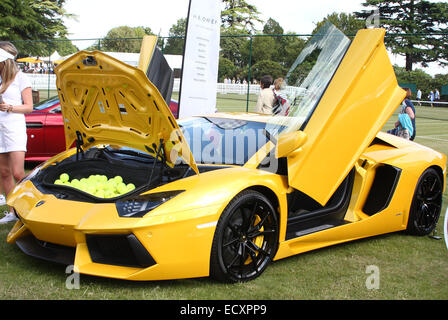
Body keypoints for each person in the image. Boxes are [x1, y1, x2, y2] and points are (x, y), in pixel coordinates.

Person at [0, 41, 33, 223]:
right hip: (0, 129)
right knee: (4, 172)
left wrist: (10, 107)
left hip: (14, 128)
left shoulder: (21, 78)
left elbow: (29, 107)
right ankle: (12, 213)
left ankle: (34, 202)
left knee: (18, 173)